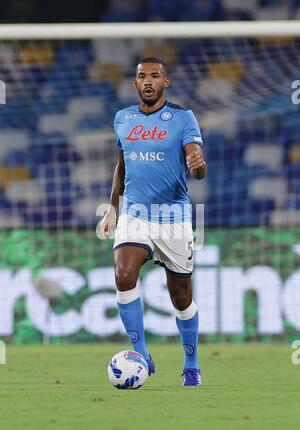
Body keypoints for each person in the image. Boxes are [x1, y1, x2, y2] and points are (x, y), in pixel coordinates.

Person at [99, 57, 207, 386]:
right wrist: (113, 207)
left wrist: (197, 164)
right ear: (135, 83)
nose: (148, 81)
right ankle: (142, 355)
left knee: (181, 297)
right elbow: (122, 165)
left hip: (173, 216)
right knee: (123, 273)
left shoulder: (183, 118)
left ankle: (191, 364)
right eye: (142, 76)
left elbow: (198, 169)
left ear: (166, 82)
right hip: (135, 213)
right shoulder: (123, 119)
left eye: (155, 76)